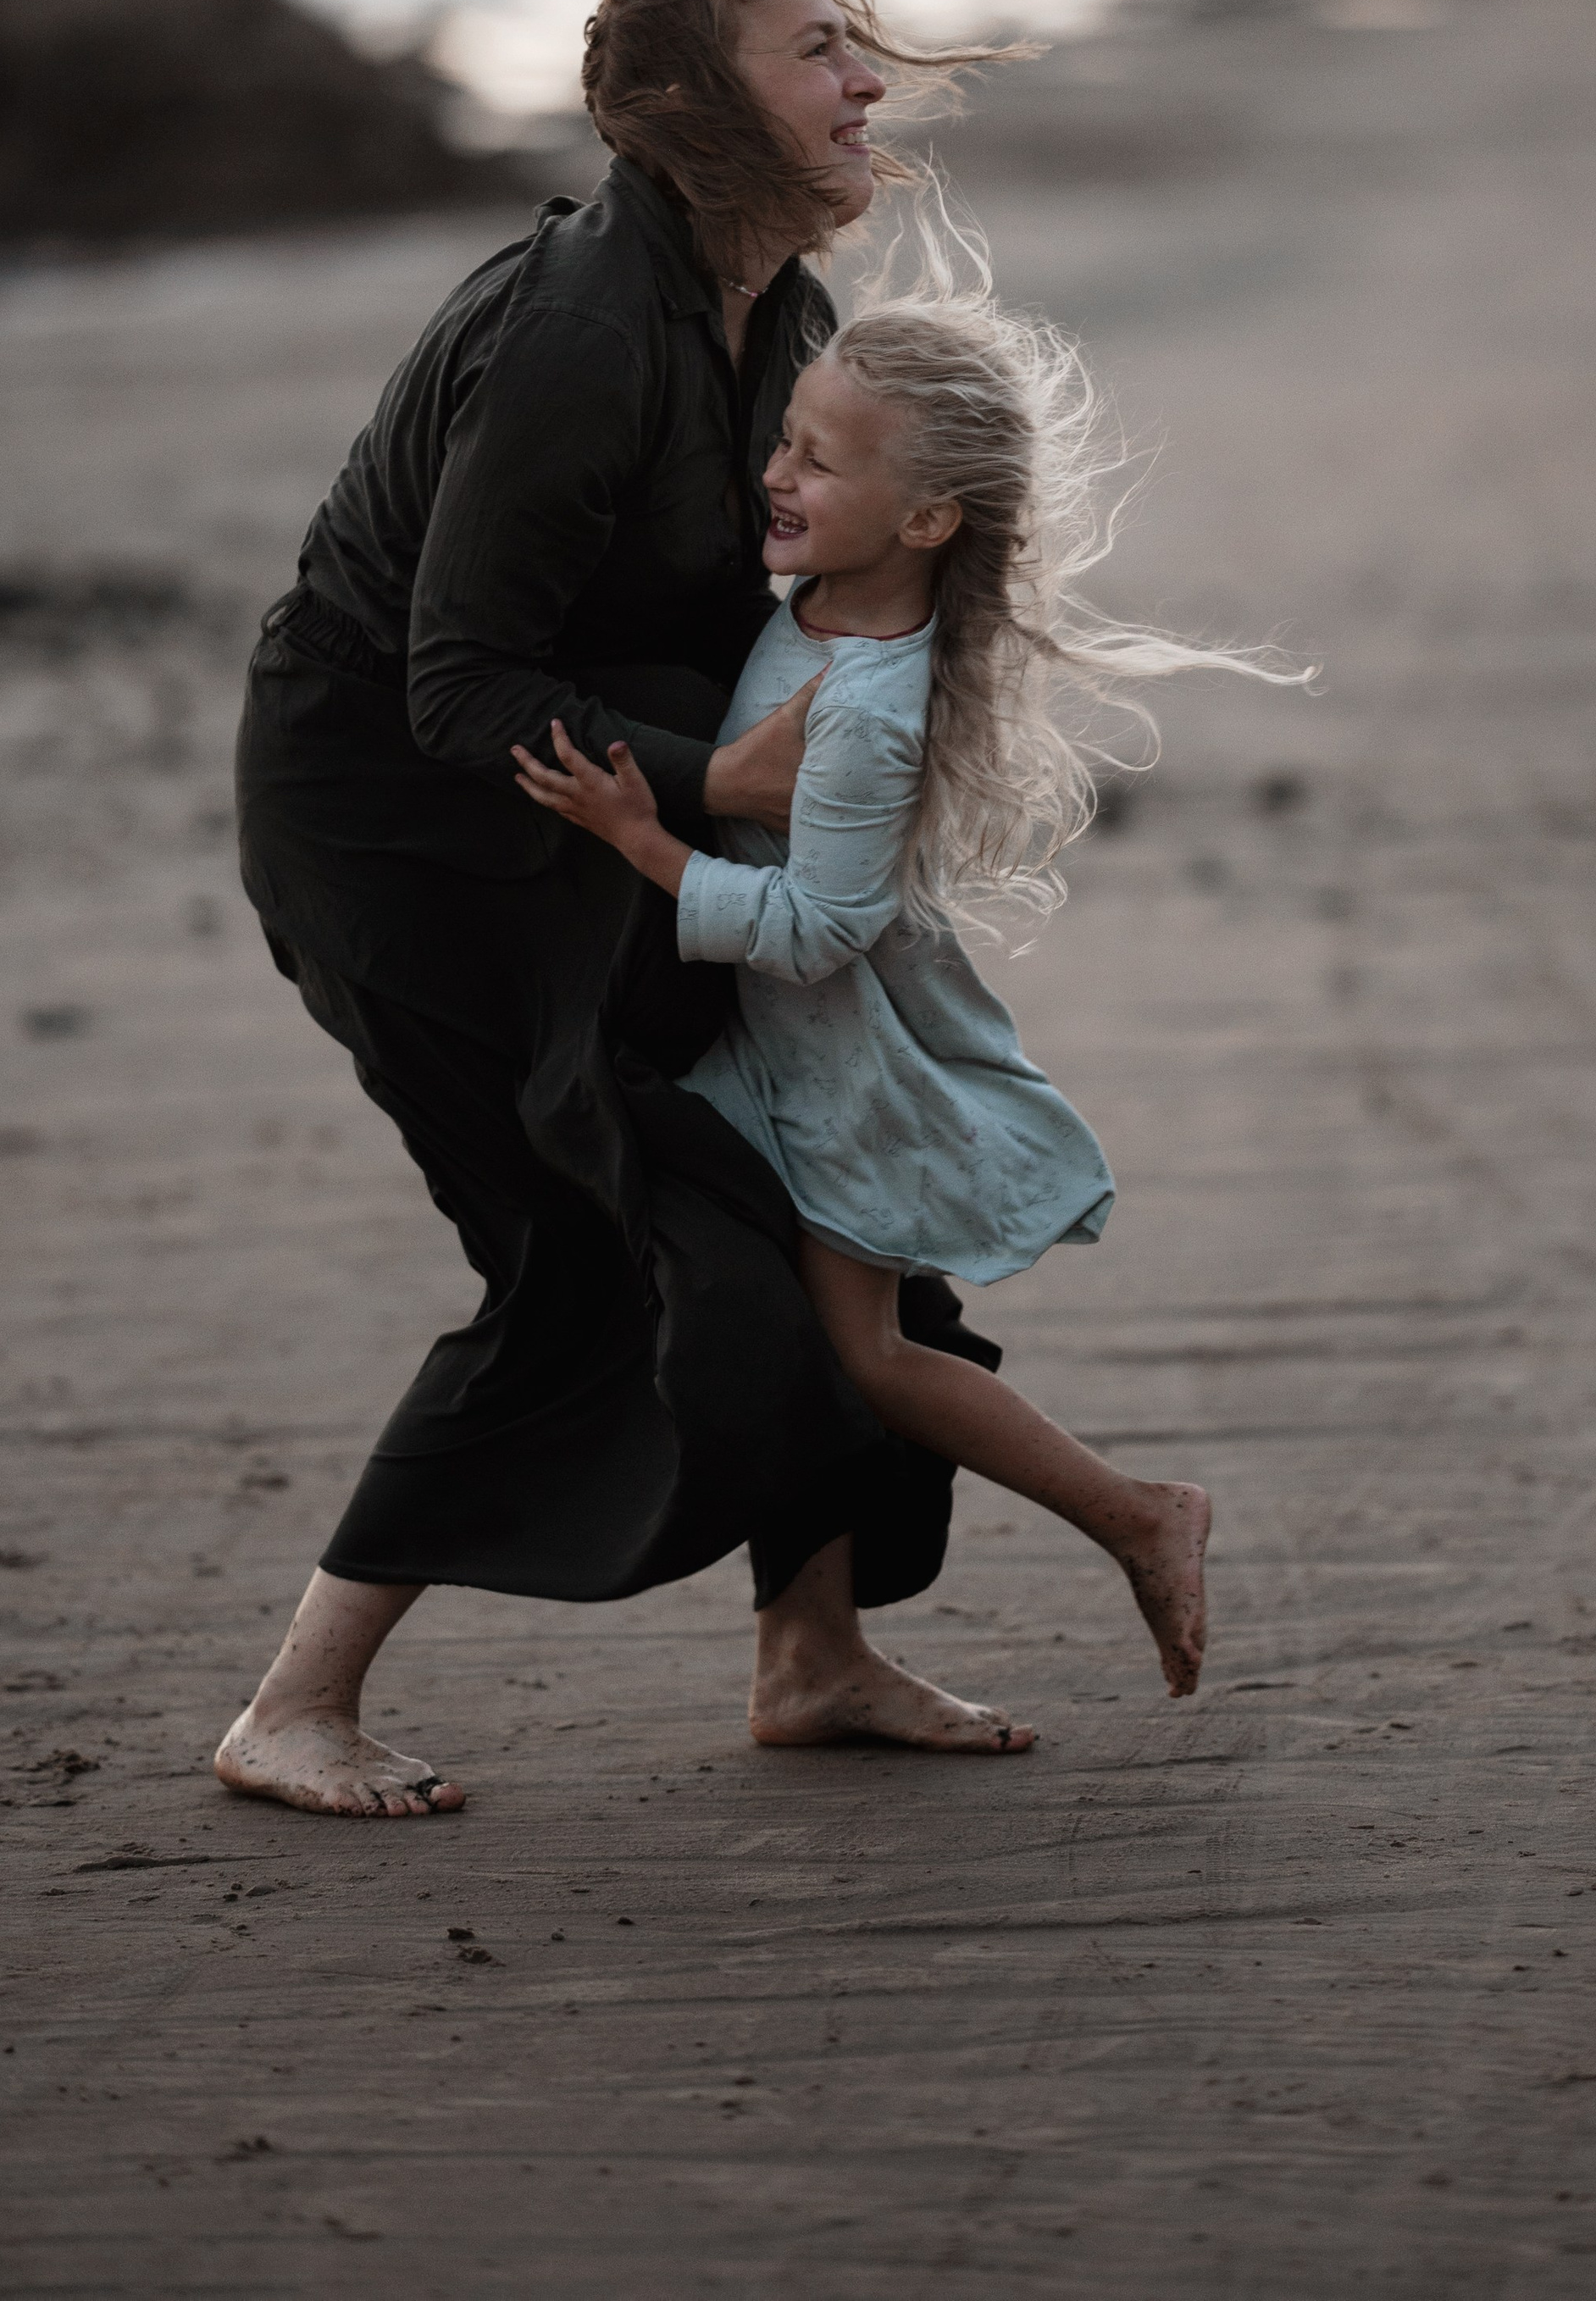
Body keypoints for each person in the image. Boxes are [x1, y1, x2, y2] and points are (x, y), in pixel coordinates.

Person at [217, 0, 1039, 1821]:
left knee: (805, 1182)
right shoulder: (581, 332)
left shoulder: (782, 316)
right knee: (587, 1244)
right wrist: (717, 775)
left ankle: (814, 1652)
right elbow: (451, 681)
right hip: (400, 827)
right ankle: (294, 1707)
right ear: (689, 103)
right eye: (816, 50)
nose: (865, 82)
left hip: (595, 806)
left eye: (858, 45)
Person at [513, 257, 1305, 1707]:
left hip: (835, 1080)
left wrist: (646, 842)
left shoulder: (872, 703)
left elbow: (820, 927)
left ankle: (1140, 1516)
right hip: (778, 1063)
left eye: (818, 460)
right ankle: (815, 1652)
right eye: (783, 439)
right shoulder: (814, 602)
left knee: (867, 1357)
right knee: (799, 1343)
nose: (776, 473)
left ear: (928, 519)